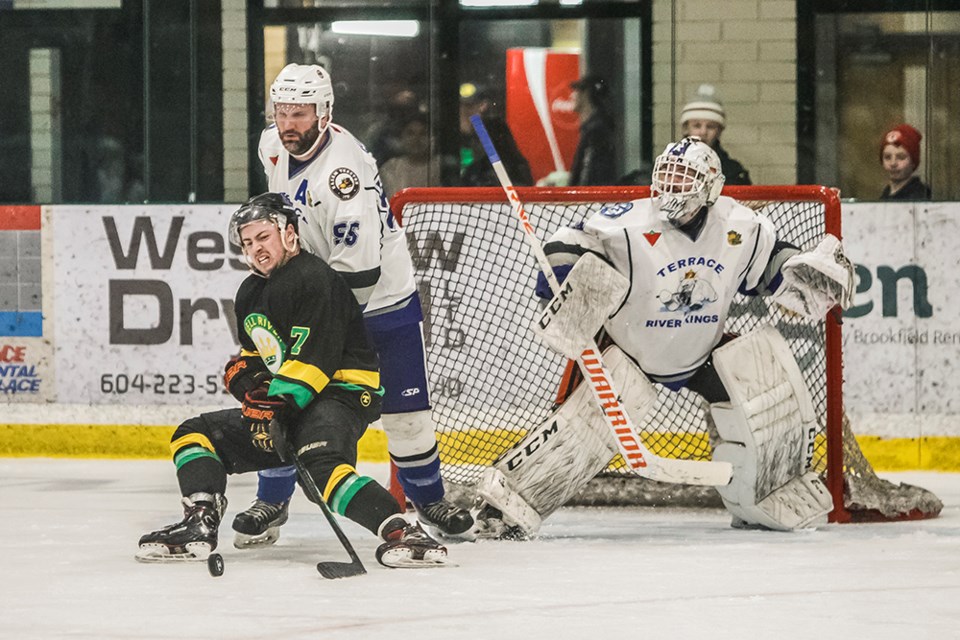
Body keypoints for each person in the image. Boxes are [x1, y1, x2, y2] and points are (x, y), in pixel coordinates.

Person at [474, 136, 854, 538]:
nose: (672, 189)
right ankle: (506, 508)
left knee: (766, 382)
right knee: (583, 431)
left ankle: (766, 496)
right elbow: (568, 243)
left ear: (711, 187)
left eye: (684, 178)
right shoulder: (626, 226)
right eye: (666, 178)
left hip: (701, 352)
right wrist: (566, 274)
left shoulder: (741, 226)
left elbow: (772, 264)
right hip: (631, 354)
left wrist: (800, 271)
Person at [137, 193, 448, 568]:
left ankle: (404, 532)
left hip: (343, 393)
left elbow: (316, 359)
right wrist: (246, 382)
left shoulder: (316, 279)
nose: (256, 248)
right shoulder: (251, 292)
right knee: (195, 433)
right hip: (292, 402)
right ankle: (199, 522)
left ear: (289, 234)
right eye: (248, 242)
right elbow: (261, 358)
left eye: (263, 237)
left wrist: (275, 403)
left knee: (320, 463)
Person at [240, 63, 474, 548]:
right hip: (314, 298)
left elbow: (362, 271)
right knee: (286, 397)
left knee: (406, 414)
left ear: (324, 113)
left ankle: (428, 500)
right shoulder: (271, 146)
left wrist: (321, 330)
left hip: (381, 304)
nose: (289, 124)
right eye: (282, 112)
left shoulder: (344, 178)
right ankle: (273, 499)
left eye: (300, 113)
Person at [459, 81, 533, 187]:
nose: (464, 111)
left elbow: (511, 172)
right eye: (461, 106)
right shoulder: (453, 136)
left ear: (483, 106)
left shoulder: (491, 131)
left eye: (469, 106)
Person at [679, 84, 751, 185]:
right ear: (686, 128)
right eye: (697, 125)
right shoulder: (667, 168)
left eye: (710, 127)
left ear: (719, 131)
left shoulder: (733, 172)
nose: (703, 132)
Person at [568, 74, 618, 186]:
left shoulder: (595, 130)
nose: (572, 96)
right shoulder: (596, 126)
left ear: (585, 94)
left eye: (576, 91)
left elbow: (589, 171)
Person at [379, 112, 441, 200]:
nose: (416, 139)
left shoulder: (440, 167)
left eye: (423, 133)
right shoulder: (391, 168)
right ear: (401, 137)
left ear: (432, 138)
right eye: (410, 133)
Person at [879, 123, 931, 200]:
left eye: (901, 157)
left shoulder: (919, 195)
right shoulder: (887, 192)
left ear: (913, 162)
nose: (893, 163)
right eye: (887, 157)